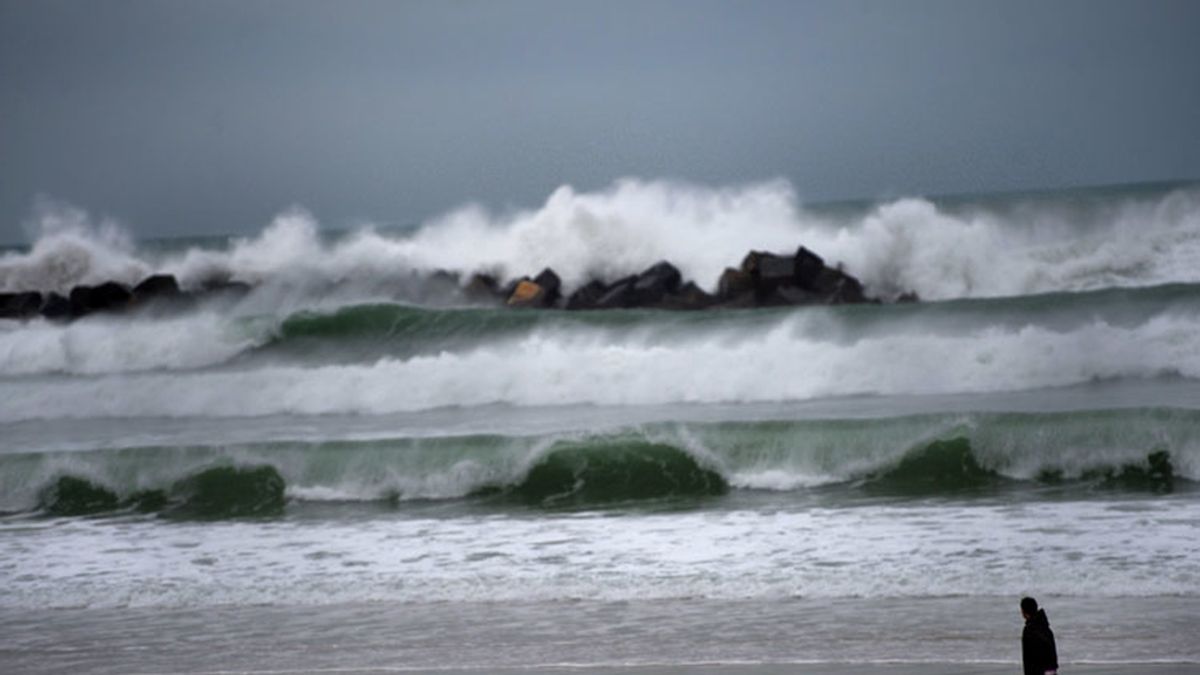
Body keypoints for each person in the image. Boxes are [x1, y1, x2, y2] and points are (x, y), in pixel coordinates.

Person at [1020, 596, 1059, 675]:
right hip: (1051, 670)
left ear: (1024, 612)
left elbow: (1028, 658)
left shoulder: (1029, 630)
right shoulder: (1046, 627)